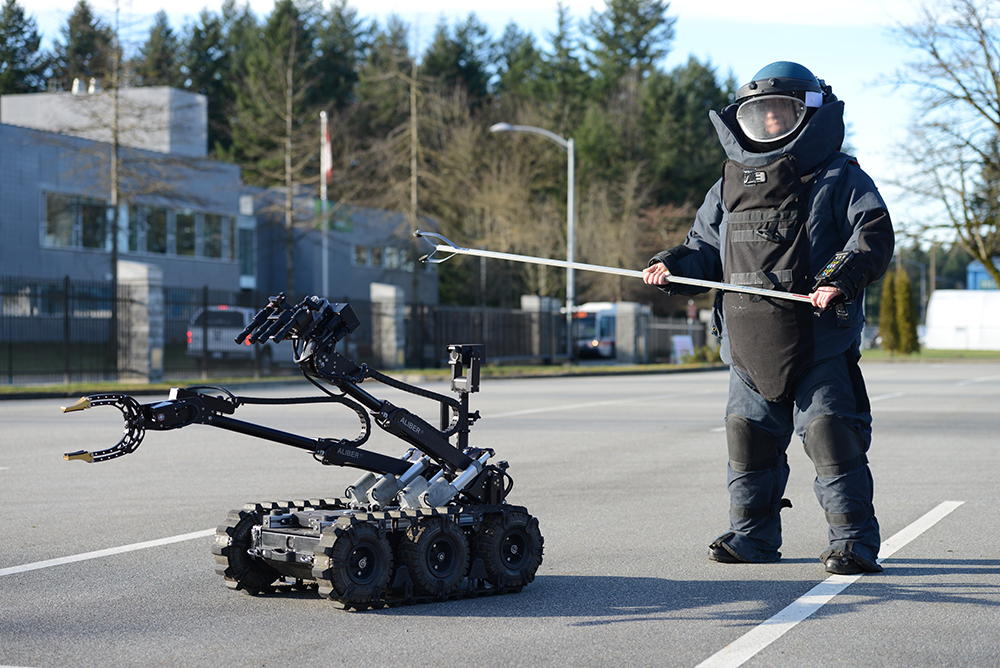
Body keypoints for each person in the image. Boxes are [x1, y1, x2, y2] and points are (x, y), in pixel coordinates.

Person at [643, 61, 894, 575]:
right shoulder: (727, 186)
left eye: (782, 112)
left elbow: (871, 235)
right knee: (748, 437)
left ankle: (854, 541)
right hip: (746, 344)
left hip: (818, 340)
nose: (772, 122)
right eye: (762, 114)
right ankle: (752, 537)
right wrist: (671, 266)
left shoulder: (840, 176)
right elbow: (704, 249)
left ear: (809, 113)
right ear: (743, 120)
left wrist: (837, 279)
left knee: (830, 434)